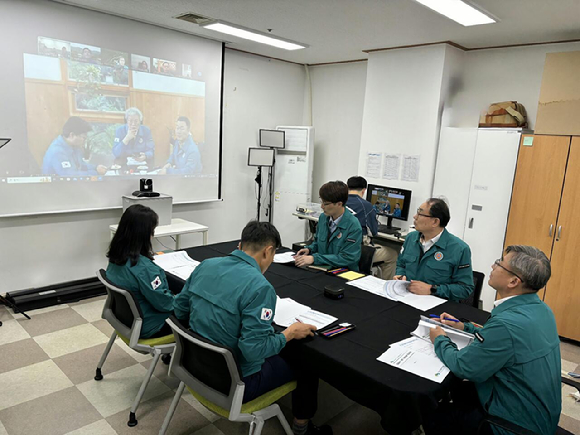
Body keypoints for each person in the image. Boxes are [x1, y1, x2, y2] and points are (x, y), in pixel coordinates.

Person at [174, 221, 332, 435]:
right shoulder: (260, 287)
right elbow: (253, 350)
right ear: (268, 251)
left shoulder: (206, 265)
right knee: (308, 362)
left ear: (241, 245)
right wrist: (289, 333)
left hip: (193, 365)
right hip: (235, 382)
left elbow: (180, 310)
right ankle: (302, 427)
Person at [425, 245, 561, 435]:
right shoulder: (541, 309)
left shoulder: (506, 324)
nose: (492, 266)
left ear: (514, 281)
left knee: (433, 417)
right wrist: (465, 327)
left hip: (512, 425)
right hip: (538, 413)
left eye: (499, 264)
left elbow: (465, 367)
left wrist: (440, 339)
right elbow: (505, 339)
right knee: (460, 391)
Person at [106, 205, 175, 338]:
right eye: (152, 230)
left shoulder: (116, 256)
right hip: (152, 326)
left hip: (125, 319)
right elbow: (165, 304)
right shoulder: (144, 269)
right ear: (143, 234)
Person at [394, 198, 474, 301]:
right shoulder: (411, 238)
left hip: (437, 306)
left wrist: (432, 289)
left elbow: (465, 288)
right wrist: (400, 275)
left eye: (420, 213)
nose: (415, 216)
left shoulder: (459, 249)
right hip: (407, 298)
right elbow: (401, 264)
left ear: (435, 222)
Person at [295, 181, 362, 271]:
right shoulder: (323, 218)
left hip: (343, 272)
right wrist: (309, 250)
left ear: (339, 204)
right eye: (321, 202)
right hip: (323, 267)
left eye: (326, 204)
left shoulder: (353, 225)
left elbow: (348, 258)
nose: (322, 206)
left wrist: (315, 258)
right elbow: (317, 242)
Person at [346, 176, 399, 278]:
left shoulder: (339, 202)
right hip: (359, 250)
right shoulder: (366, 206)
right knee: (392, 254)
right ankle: (383, 288)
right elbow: (373, 232)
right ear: (364, 190)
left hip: (342, 248)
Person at [42, 117, 107, 176]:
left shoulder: (74, 147)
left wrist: (96, 168)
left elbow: (80, 165)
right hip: (55, 187)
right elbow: (69, 175)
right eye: (83, 138)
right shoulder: (57, 151)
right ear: (72, 135)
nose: (84, 141)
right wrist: (95, 173)